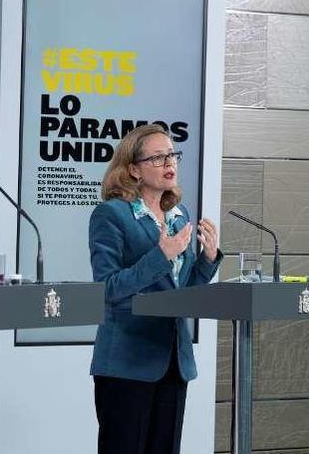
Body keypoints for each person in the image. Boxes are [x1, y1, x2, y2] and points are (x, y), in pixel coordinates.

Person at [88, 124, 222, 454]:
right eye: (158, 157)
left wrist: (207, 259)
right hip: (127, 362)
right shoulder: (111, 215)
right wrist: (161, 255)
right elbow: (107, 288)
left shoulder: (179, 216)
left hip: (174, 362)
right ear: (133, 169)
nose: (169, 163)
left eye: (172, 155)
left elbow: (182, 292)